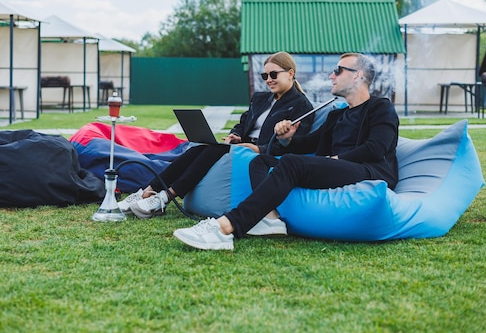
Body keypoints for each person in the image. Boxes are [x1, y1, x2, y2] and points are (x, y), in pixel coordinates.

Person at [173, 52, 399, 250]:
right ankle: (271, 218)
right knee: (259, 162)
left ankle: (226, 226)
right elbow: (310, 143)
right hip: (337, 166)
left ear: (358, 75)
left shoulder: (380, 107)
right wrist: (288, 137)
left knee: (292, 163)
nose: (331, 76)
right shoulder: (336, 115)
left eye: (337, 71)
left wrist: (337, 158)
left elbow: (377, 148)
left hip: (368, 169)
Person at [119, 51, 314, 219]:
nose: (269, 79)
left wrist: (258, 148)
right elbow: (243, 122)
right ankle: (147, 191)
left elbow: (295, 142)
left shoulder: (301, 105)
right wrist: (235, 135)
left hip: (264, 154)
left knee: (211, 150)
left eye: (273, 74)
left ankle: (164, 198)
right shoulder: (261, 98)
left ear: (290, 73)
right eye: (265, 75)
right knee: (200, 147)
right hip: (243, 146)